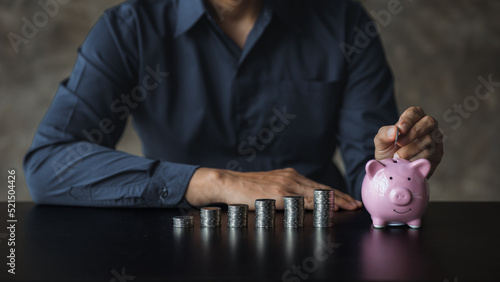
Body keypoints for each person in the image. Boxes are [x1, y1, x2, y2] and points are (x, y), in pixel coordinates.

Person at [23, 0, 443, 211]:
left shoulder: (343, 21)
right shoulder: (128, 29)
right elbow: (49, 165)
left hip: (318, 243)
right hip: (173, 250)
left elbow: (367, 189)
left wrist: (395, 169)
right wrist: (213, 182)